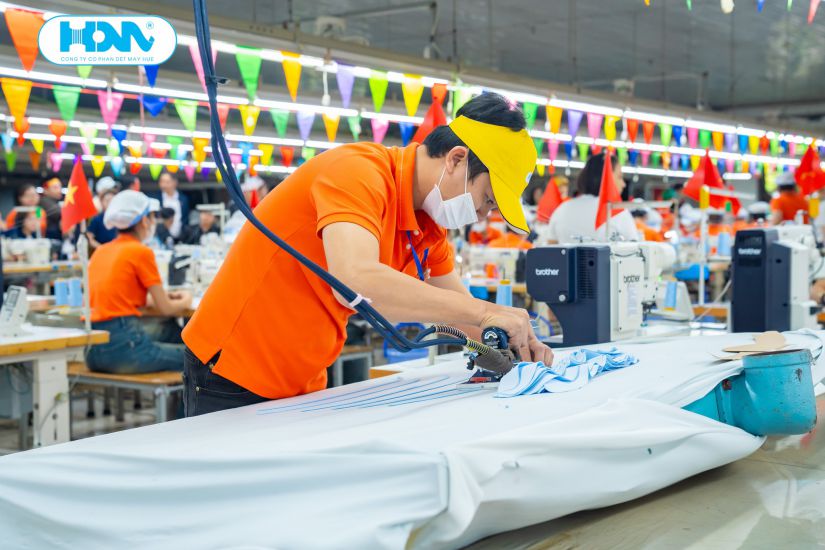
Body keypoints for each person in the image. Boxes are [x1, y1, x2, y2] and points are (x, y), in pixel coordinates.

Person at [182, 93, 553, 416]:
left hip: (301, 379)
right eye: (487, 200)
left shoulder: (428, 227)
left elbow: (463, 315)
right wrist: (487, 312)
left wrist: (519, 342)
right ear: (456, 159)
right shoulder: (358, 172)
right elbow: (353, 280)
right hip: (230, 372)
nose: (483, 215)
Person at [85, 191, 193, 374]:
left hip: (93, 349)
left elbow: (118, 298)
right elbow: (166, 309)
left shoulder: (100, 251)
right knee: (197, 358)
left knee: (170, 330)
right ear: (144, 221)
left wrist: (163, 297)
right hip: (125, 348)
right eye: (152, 217)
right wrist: (186, 299)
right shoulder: (141, 252)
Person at [545, 151, 639, 244]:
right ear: (607, 178)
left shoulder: (562, 209)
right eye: (620, 177)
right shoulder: (616, 212)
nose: (623, 184)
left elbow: (551, 246)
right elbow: (636, 248)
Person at [153, 172, 190, 240]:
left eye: (167, 182)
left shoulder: (183, 199)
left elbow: (185, 218)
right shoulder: (156, 199)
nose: (163, 185)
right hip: (161, 238)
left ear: (175, 182)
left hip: (181, 238)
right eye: (161, 182)